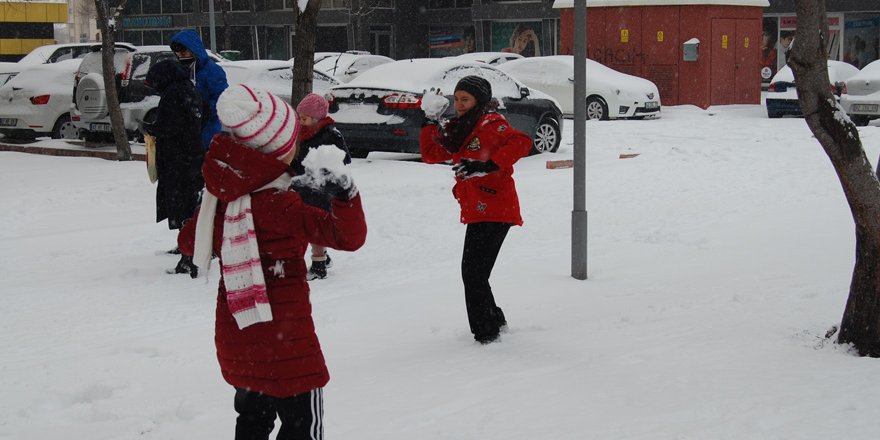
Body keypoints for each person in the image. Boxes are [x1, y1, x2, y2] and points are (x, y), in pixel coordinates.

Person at [177, 84, 366, 439]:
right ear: (279, 150)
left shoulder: (221, 198)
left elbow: (188, 241)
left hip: (241, 341)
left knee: (251, 423)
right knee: (302, 429)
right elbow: (348, 237)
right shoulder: (280, 204)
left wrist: (211, 205)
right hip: (288, 348)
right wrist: (346, 193)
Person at [419, 76, 532, 345]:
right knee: (476, 273)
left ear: (479, 101)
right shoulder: (459, 129)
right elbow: (431, 155)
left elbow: (522, 142)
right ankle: (494, 321)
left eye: (465, 99)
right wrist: (429, 122)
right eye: (456, 99)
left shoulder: (490, 124)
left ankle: (486, 333)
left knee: (473, 273)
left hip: (496, 208)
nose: (458, 105)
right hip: (478, 209)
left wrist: (488, 165)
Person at [141, 59, 205, 276]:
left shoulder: (173, 94)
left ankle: (188, 256)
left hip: (177, 160)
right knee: (190, 204)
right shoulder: (190, 90)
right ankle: (189, 249)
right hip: (192, 157)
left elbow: (169, 126)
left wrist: (149, 128)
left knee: (180, 205)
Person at [291, 93, 353, 281]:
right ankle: (323, 257)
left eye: (305, 118)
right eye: (299, 118)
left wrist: (324, 169)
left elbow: (343, 159)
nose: (301, 122)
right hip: (303, 186)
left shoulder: (330, 134)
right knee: (306, 225)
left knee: (316, 226)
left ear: (317, 118)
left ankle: (318, 264)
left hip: (321, 189)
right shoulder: (303, 133)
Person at [169, 29, 229, 150]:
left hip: (208, 129)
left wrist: (203, 108)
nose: (181, 58)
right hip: (188, 131)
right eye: (178, 55)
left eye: (184, 54)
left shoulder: (212, 71)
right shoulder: (180, 71)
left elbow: (222, 98)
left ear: (194, 50)